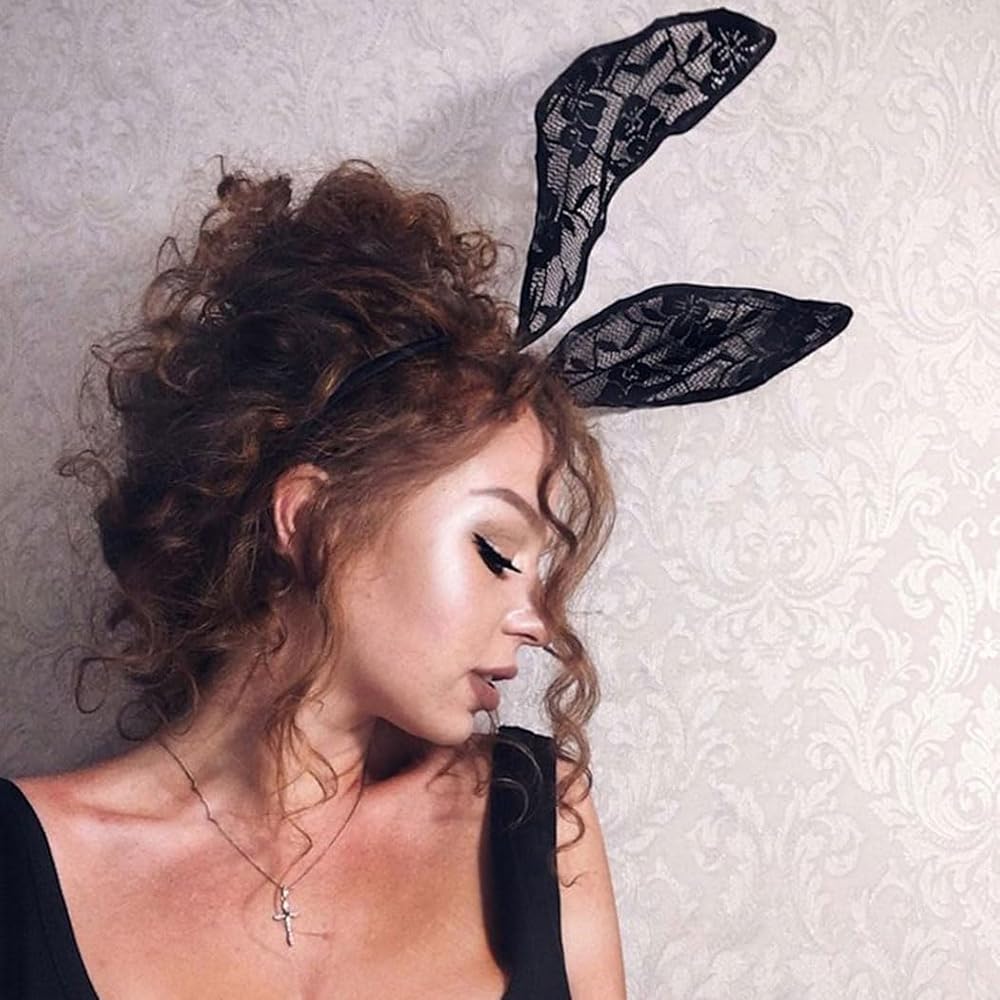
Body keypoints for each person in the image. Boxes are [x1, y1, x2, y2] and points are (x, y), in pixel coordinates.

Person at [0, 161, 625, 999]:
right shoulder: (25, 866)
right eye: (497, 552)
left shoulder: (535, 821)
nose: (538, 623)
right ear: (310, 520)